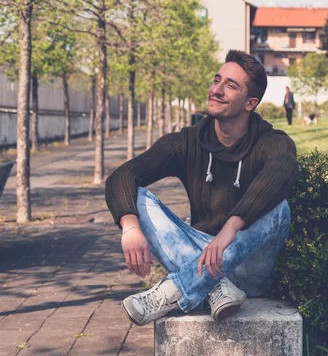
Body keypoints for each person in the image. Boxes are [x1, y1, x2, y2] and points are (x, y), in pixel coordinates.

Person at [105, 50, 298, 326]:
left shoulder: (272, 141)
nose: (216, 90)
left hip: (251, 269)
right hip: (202, 257)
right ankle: (215, 288)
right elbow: (122, 175)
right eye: (217, 80)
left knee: (277, 206)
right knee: (134, 199)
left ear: (249, 103)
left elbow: (282, 173)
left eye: (230, 85)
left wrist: (230, 228)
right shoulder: (189, 141)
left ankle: (173, 290)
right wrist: (130, 227)